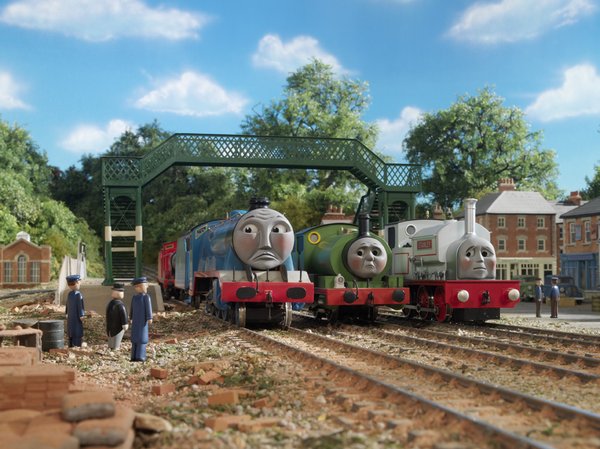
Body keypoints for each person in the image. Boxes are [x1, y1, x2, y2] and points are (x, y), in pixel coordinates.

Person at [129, 277, 153, 362]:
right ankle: (134, 356)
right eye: (136, 287)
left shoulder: (146, 297)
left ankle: (140, 356)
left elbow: (148, 309)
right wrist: (131, 317)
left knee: (141, 338)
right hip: (136, 321)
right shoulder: (135, 297)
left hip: (142, 321)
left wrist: (149, 317)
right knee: (135, 338)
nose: (138, 288)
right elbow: (132, 308)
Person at [106, 282, 129, 350]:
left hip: (114, 326)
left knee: (114, 336)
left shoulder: (116, 304)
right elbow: (123, 314)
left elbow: (123, 314)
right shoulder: (115, 304)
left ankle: (114, 347)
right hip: (114, 326)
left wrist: (124, 323)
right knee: (113, 336)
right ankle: (113, 347)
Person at [65, 274, 85, 347]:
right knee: (77, 330)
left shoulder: (69, 294)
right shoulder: (78, 294)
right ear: (76, 283)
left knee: (71, 330)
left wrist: (66, 313)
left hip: (70, 316)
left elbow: (67, 304)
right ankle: (76, 345)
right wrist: (81, 315)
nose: (80, 283)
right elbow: (80, 306)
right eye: (79, 282)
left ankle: (70, 344)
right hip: (76, 317)